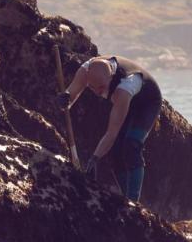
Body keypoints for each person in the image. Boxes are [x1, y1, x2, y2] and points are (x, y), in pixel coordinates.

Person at [58, 56, 162, 203]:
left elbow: (111, 133)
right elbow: (71, 94)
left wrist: (94, 159)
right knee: (115, 151)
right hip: (124, 101)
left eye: (102, 87)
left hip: (146, 103)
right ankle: (125, 197)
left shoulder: (125, 86)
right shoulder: (86, 70)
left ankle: (133, 202)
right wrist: (65, 99)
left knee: (131, 145)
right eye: (93, 88)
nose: (98, 92)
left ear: (110, 77)